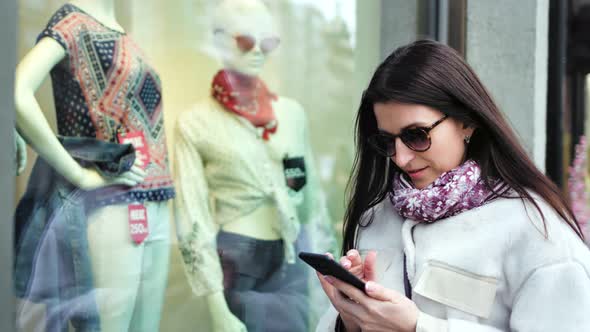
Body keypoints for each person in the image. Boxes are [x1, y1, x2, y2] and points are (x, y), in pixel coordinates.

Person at [315, 40, 590, 332]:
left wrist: (417, 327)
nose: (401, 157)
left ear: (466, 122)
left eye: (417, 135)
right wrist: (351, 318)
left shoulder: (536, 230)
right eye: (387, 141)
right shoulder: (378, 218)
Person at [173, 0, 335, 331]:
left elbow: (312, 204)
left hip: (292, 256)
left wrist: (327, 282)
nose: (259, 51)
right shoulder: (195, 123)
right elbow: (193, 221)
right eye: (247, 41)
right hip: (236, 260)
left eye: (269, 43)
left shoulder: (291, 114)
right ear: (219, 40)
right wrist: (217, 308)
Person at [14, 1, 175, 330]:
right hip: (113, 203)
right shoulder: (72, 23)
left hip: (156, 204)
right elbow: (17, 92)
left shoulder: (119, 30)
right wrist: (78, 175)